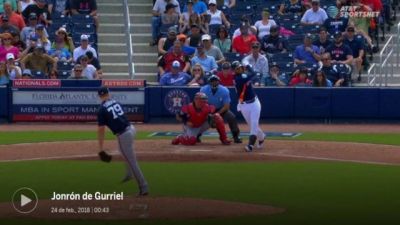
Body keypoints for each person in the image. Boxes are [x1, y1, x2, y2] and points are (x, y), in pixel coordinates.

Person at [96, 86, 149, 196]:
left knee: (132, 161)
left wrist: (100, 148)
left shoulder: (101, 109)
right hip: (132, 129)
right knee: (122, 150)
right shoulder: (116, 102)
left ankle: (143, 187)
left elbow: (101, 130)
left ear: (99, 96)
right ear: (108, 93)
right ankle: (129, 174)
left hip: (123, 135)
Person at [232, 61, 265, 152]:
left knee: (253, 125)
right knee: (252, 125)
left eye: (240, 67)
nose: (240, 69)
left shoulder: (242, 76)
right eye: (237, 68)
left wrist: (246, 67)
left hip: (254, 104)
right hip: (244, 105)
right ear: (234, 71)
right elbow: (254, 74)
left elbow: (253, 76)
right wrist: (249, 67)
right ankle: (261, 137)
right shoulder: (239, 78)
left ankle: (250, 145)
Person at [200, 75, 242, 143]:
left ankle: (236, 136)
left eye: (215, 81)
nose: (214, 83)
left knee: (231, 117)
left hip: (221, 109)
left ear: (218, 82)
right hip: (207, 109)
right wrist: (208, 112)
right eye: (212, 81)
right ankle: (197, 135)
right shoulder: (203, 89)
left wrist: (217, 114)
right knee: (198, 116)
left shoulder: (224, 90)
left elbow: (226, 106)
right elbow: (201, 103)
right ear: (209, 82)